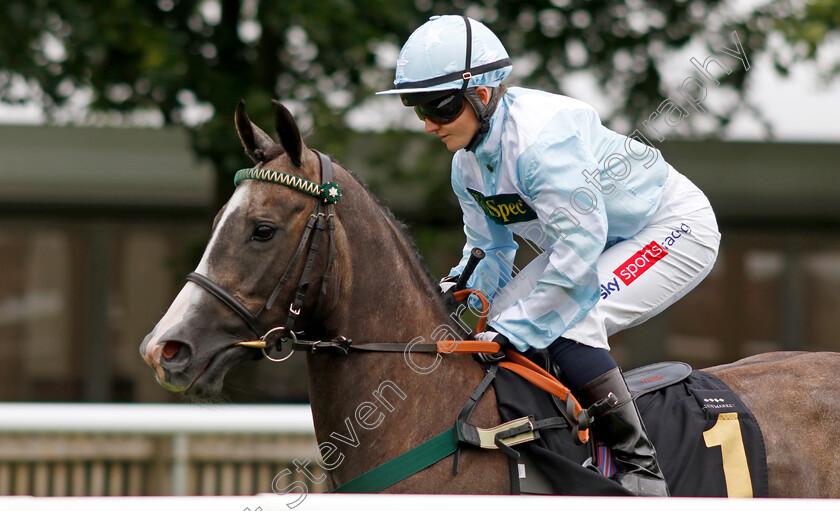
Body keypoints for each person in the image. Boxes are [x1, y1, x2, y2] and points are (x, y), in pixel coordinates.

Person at [378, 15, 720, 496]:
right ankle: (554, 443)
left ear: (482, 93)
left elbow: (578, 254)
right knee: (494, 320)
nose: (429, 124)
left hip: (670, 227)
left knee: (569, 319)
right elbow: (489, 251)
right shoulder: (467, 165)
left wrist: (512, 330)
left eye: (440, 107)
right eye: (418, 109)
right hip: (597, 238)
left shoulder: (541, 146)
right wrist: (453, 300)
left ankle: (641, 471)